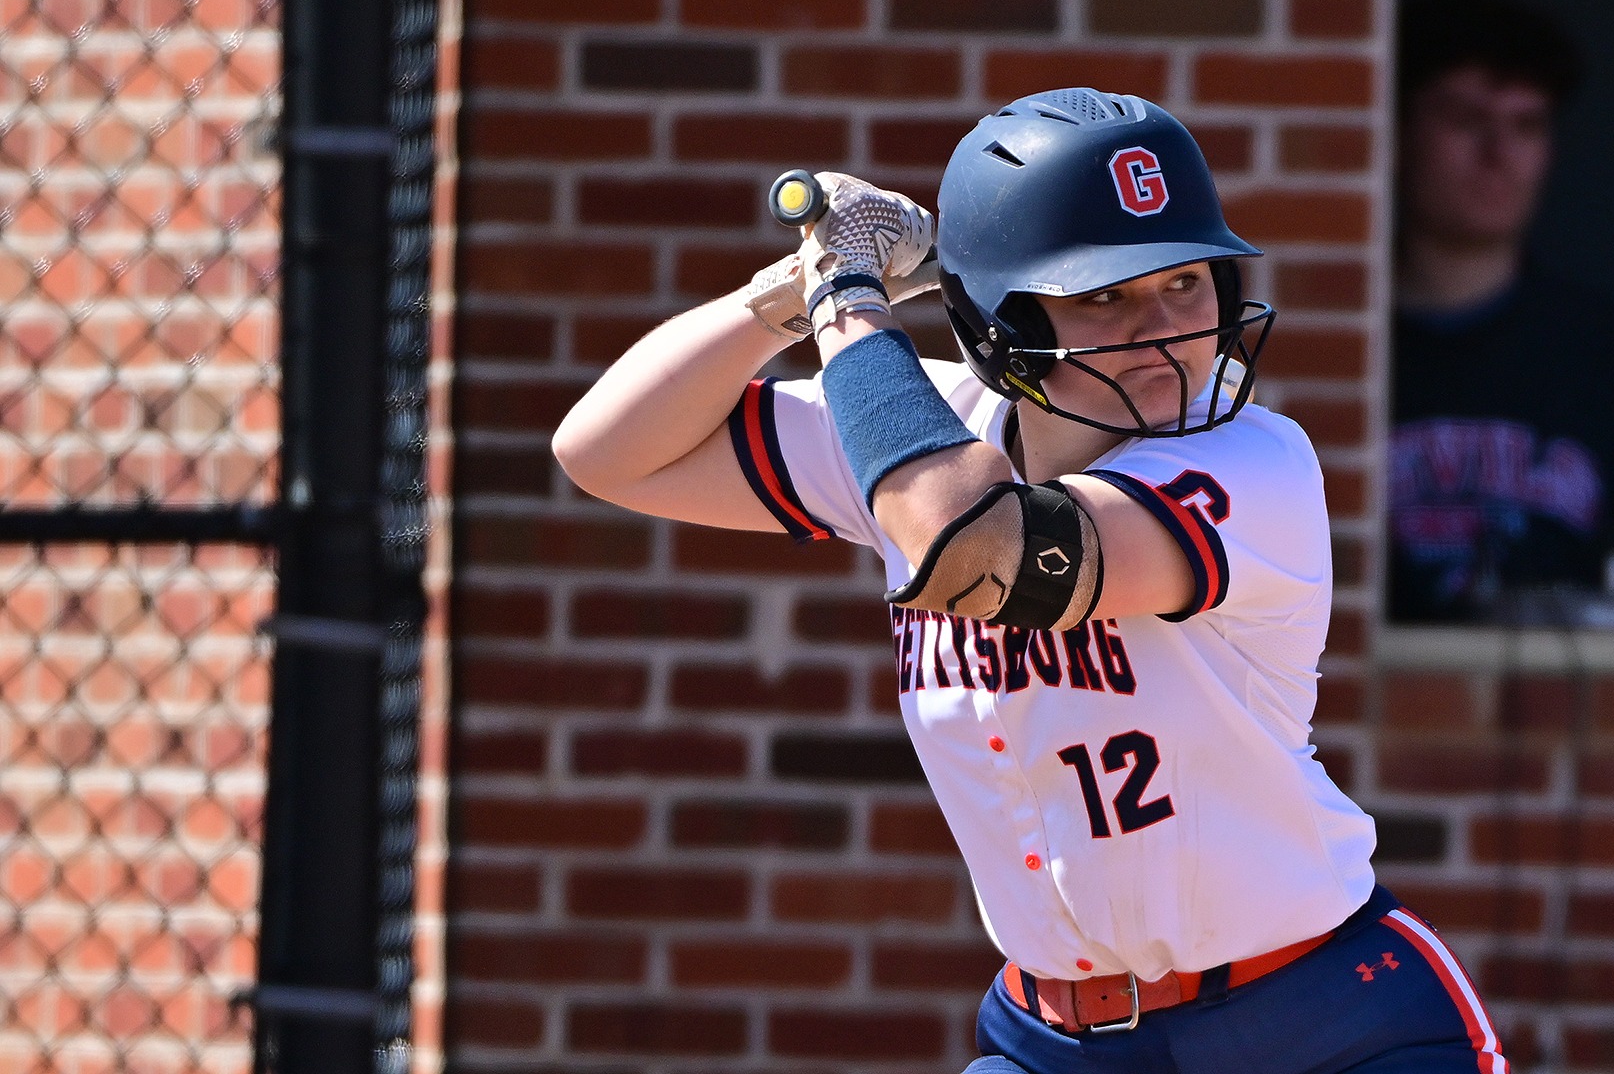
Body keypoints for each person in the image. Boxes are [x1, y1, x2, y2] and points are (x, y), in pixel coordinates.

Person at [554, 88, 1507, 1073]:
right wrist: (796, 291)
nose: (1162, 326)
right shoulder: (933, 432)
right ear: (998, 321)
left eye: (1185, 280)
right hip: (1055, 1040)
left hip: (1319, 1021)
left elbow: (980, 550)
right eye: (1102, 295)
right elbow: (607, 451)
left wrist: (853, 307)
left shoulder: (1250, 461)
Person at [1392, 0, 1614, 624]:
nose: (1499, 153)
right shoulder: (1338, 353)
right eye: (1466, 120)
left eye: (1526, 126)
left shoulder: (1612, 363)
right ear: (1400, 132)